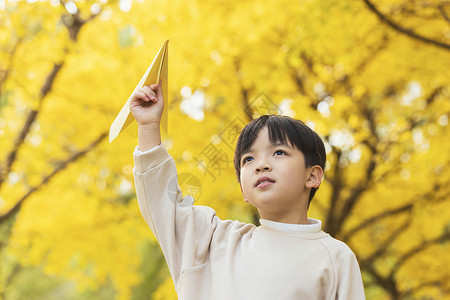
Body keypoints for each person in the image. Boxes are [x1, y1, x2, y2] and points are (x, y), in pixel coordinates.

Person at [130, 81, 366, 299]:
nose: (261, 165)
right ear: (243, 190)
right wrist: (149, 127)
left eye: (279, 152)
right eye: (248, 159)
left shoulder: (335, 258)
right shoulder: (214, 241)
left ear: (312, 175)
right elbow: (163, 204)